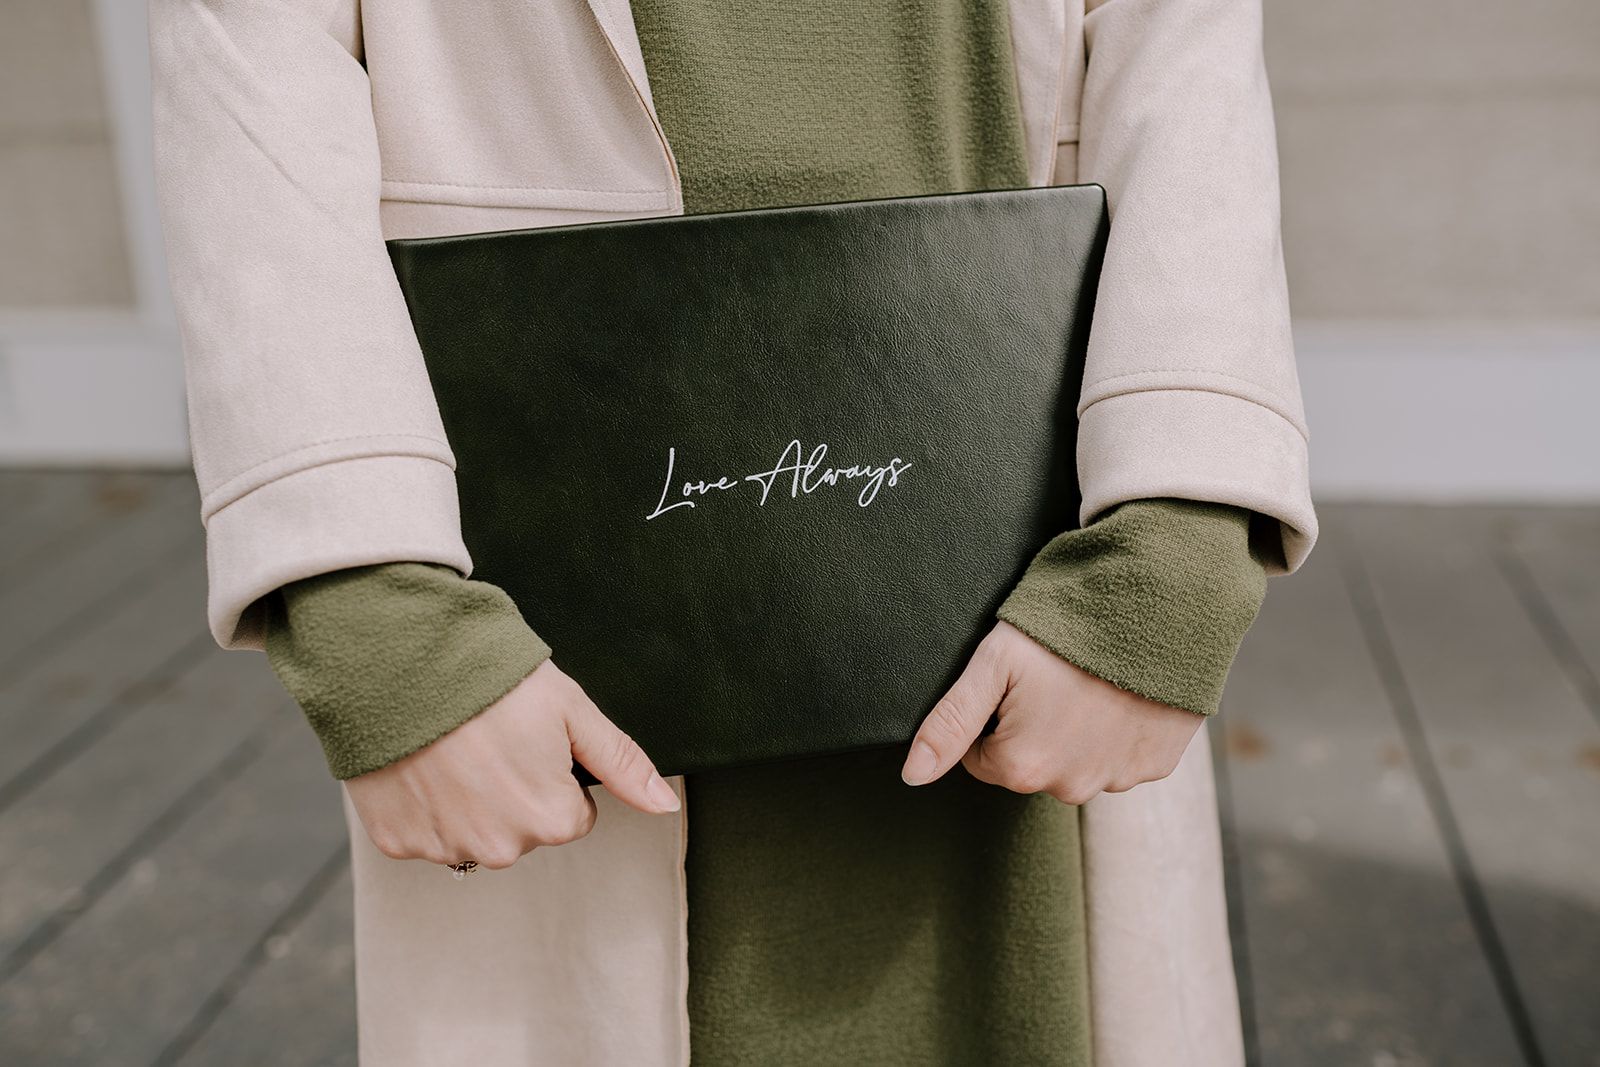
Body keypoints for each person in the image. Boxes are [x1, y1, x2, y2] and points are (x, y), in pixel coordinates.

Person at [149, 0, 1316, 1063]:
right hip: (539, 609)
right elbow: (246, 99)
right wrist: (373, 612)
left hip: (1037, 560)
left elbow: (1188, 76)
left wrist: (1170, 556)